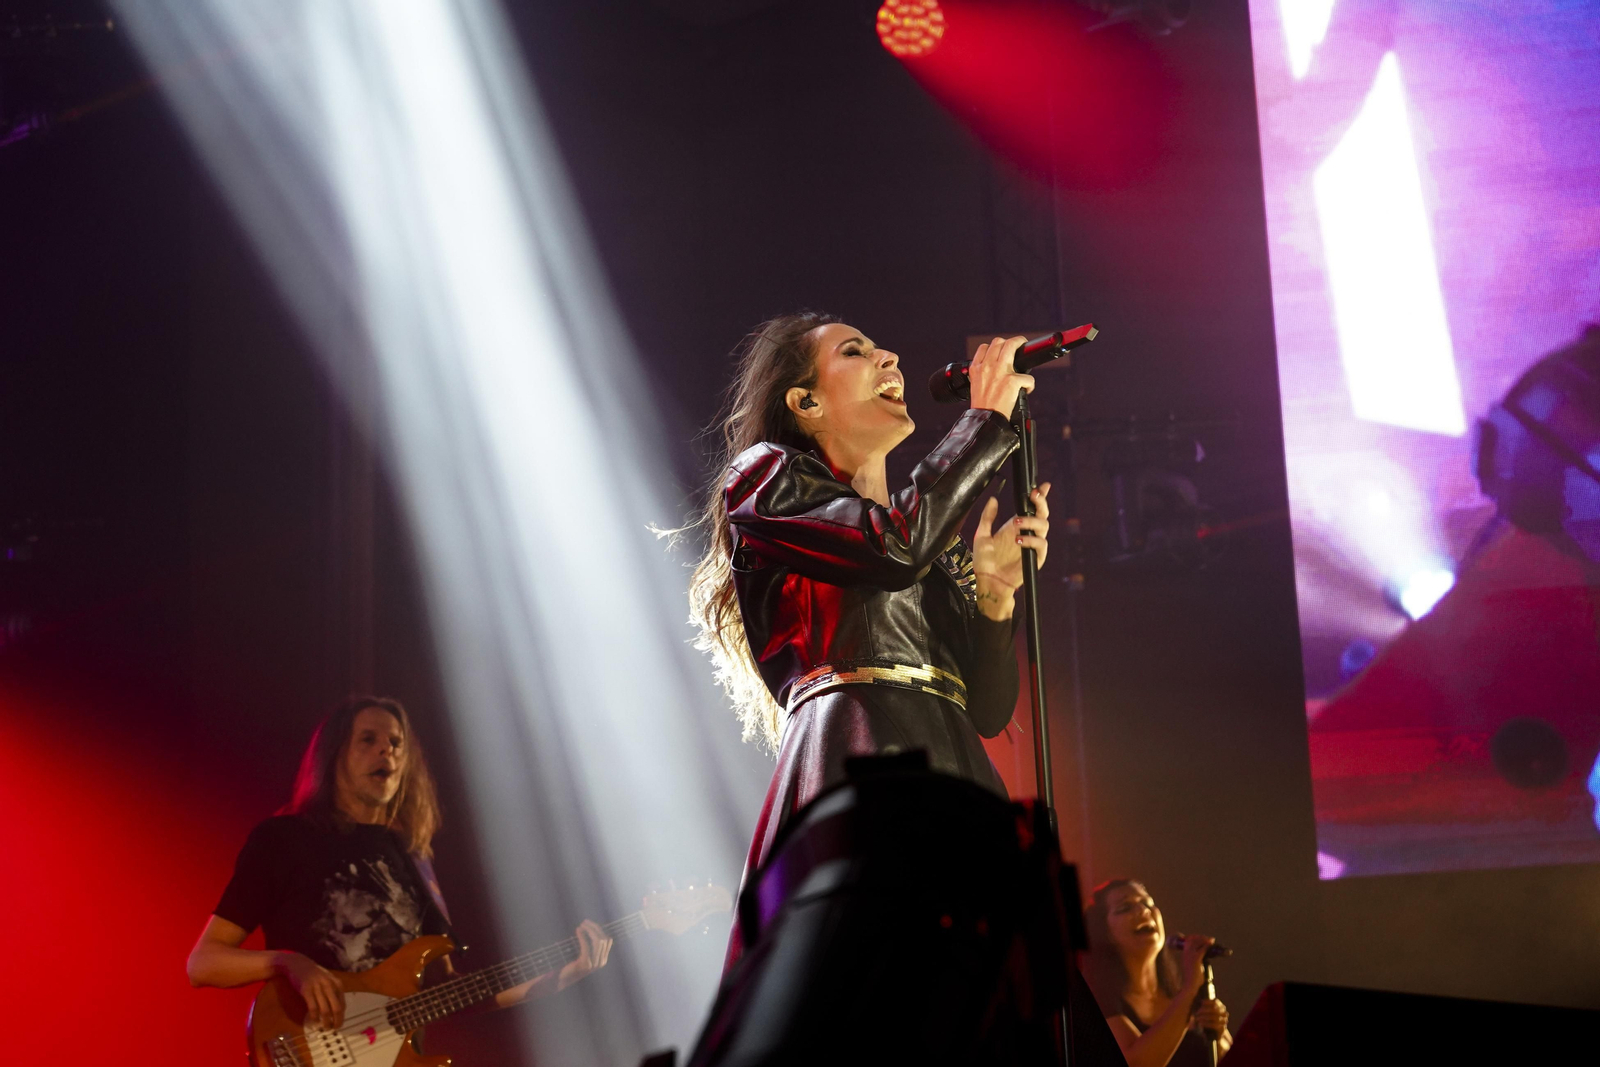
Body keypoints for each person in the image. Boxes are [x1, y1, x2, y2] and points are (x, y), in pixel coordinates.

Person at [683, 312, 1050, 964]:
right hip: (855, 758)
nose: (891, 360)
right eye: (855, 352)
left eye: (882, 348)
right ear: (806, 402)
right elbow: (889, 546)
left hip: (955, 777)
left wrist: (995, 598)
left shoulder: (929, 548)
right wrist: (986, 419)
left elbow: (988, 713)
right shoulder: (764, 478)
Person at [187, 696, 612, 1030]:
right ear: (335, 754)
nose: (386, 751)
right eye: (368, 740)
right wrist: (288, 962)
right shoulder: (283, 840)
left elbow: (450, 994)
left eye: (395, 743)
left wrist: (567, 974)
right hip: (306, 1045)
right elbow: (203, 963)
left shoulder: (412, 856)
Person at [1081, 879, 1232, 1067]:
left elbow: (1238, 1058)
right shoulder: (1099, 999)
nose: (1143, 911)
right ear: (1104, 931)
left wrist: (1218, 1035)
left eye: (1147, 903)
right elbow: (1137, 1064)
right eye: (1125, 908)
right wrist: (1190, 988)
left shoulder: (1188, 998)